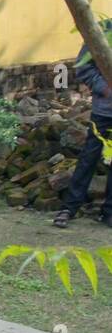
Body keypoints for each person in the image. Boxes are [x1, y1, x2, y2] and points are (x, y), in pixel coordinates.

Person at [55, 21, 112, 229]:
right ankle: (69, 207)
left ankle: (109, 213)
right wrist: (105, 87)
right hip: (104, 111)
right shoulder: (102, 30)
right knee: (89, 157)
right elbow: (84, 66)